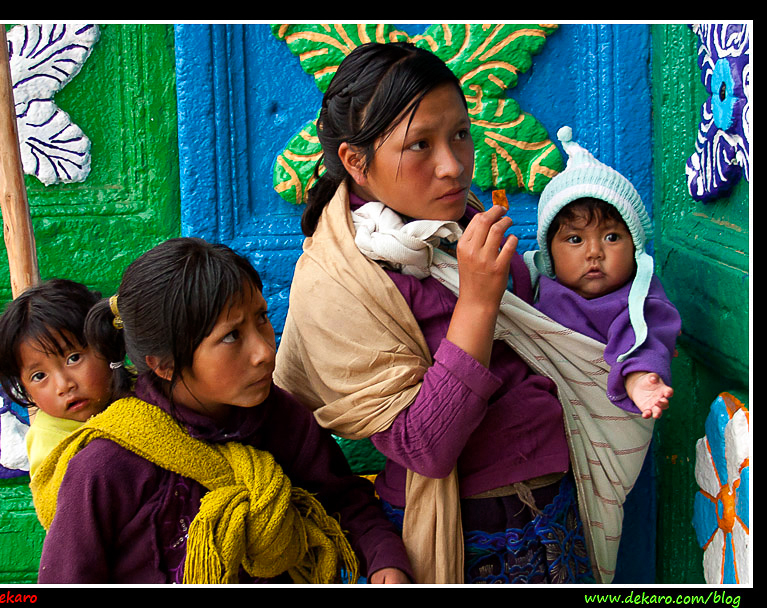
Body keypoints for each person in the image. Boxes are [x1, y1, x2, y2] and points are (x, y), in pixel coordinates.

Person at [274, 41, 594, 584]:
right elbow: (424, 445)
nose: (453, 166)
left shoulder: (455, 224)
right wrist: (476, 301)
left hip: (557, 513)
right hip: (471, 540)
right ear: (356, 161)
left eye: (461, 135)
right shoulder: (339, 282)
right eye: (419, 145)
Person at [30, 238, 412, 584]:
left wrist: (385, 562)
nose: (264, 351)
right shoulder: (107, 466)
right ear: (163, 364)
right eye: (231, 336)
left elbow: (346, 504)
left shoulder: (281, 419)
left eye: (261, 318)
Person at [523, 126, 681, 419]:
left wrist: (640, 378)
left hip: (600, 418)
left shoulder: (638, 300)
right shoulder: (533, 282)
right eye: (575, 239)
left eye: (611, 237)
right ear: (549, 252)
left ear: (635, 246)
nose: (594, 252)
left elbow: (646, 340)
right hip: (539, 404)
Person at [0, 279, 131, 476]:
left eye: (73, 358)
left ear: (105, 342)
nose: (63, 385)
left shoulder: (147, 391)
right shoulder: (50, 445)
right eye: (39, 376)